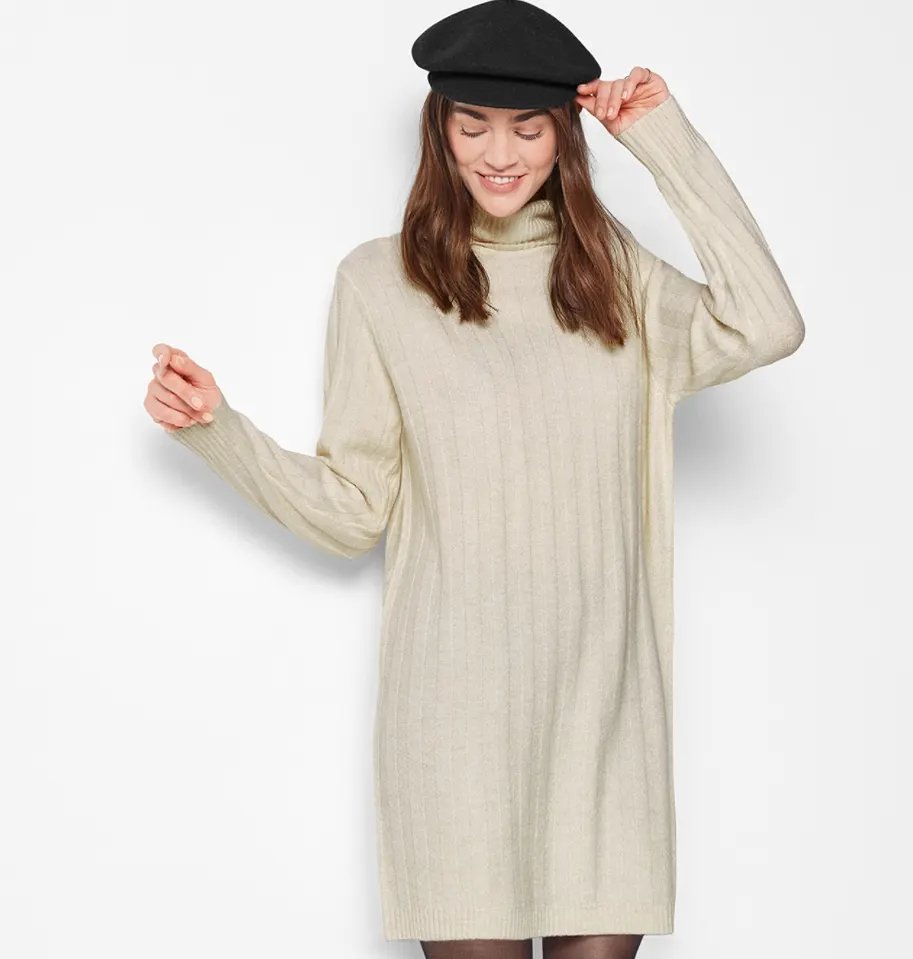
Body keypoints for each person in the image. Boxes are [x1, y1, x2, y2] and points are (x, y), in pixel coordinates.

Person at [142, 1, 804, 956]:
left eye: (528, 128)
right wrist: (221, 432)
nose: (500, 154)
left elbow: (768, 324)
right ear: (439, 128)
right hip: (453, 726)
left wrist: (665, 140)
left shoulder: (617, 275)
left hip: (602, 718)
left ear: (565, 134)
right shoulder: (379, 284)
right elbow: (354, 510)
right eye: (473, 125)